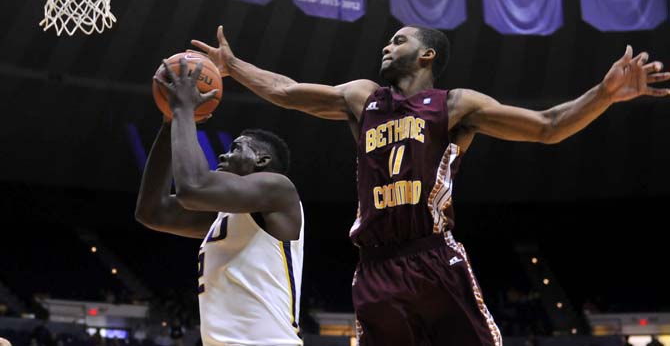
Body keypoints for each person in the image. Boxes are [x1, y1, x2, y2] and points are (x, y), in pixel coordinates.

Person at [191, 25, 669, 346]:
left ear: (426, 54)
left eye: (398, 40)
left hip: (433, 258)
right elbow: (285, 91)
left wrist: (603, 95)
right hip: (375, 266)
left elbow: (548, 125)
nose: (386, 46)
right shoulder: (362, 97)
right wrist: (234, 67)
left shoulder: (456, 105)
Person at [135, 59, 304, 346]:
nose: (224, 156)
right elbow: (152, 211)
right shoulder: (223, 216)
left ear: (262, 161)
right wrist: (169, 122)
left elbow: (193, 187)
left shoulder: (278, 190)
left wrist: (184, 110)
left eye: (236, 148)